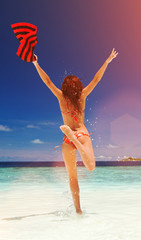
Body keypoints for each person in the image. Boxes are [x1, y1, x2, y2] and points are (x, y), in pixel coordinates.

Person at [33, 48, 118, 214]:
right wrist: (107, 62)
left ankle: (78, 211)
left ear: (64, 86)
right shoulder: (82, 95)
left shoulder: (60, 96)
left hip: (67, 139)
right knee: (91, 167)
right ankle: (76, 139)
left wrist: (36, 63)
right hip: (81, 134)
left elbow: (48, 82)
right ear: (78, 85)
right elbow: (96, 80)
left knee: (72, 177)